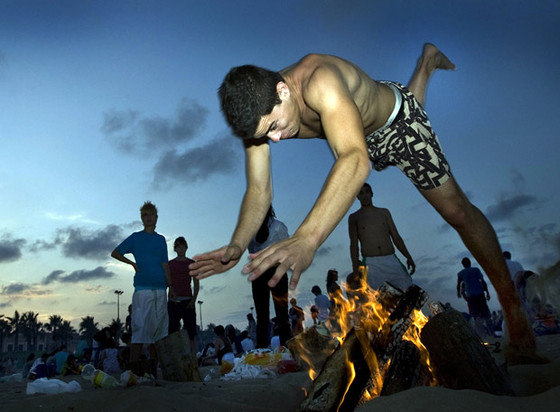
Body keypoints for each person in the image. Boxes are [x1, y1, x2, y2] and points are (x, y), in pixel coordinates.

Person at [189, 43, 538, 361]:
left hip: (395, 124)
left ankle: (513, 312)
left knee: (456, 210)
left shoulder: (318, 80)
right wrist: (237, 244)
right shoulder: (260, 112)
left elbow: (355, 159)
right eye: (265, 135)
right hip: (354, 133)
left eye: (275, 126)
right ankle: (426, 62)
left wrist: (308, 237)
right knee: (359, 135)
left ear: (283, 90)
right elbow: (259, 192)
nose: (275, 139)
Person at [111, 201, 172, 376]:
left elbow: (165, 264)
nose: (149, 218)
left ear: (156, 217)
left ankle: (154, 371)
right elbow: (116, 252)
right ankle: (132, 371)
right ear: (142, 218)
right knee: (138, 330)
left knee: (157, 334)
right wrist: (132, 263)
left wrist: (171, 286)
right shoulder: (135, 238)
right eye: (145, 215)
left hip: (160, 290)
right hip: (142, 290)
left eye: (151, 214)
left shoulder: (161, 240)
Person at [348, 183, 415, 291]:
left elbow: (396, 237)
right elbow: (354, 245)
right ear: (357, 197)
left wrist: (408, 256)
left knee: (408, 291)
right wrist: (355, 270)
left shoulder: (384, 213)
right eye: (361, 193)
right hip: (371, 264)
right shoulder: (354, 218)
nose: (365, 196)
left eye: (367, 192)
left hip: (390, 259)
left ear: (371, 194)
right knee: (380, 300)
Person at [247, 206, 291, 348]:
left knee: (281, 313)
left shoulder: (278, 227)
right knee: (262, 315)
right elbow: (251, 251)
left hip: (276, 271)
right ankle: (262, 350)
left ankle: (286, 348)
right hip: (260, 273)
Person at [167, 236, 200, 357]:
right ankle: (174, 358)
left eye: (182, 246)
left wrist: (194, 300)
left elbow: (196, 283)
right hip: (173, 302)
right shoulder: (170, 264)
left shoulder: (192, 264)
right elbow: (166, 282)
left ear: (186, 247)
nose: (181, 249)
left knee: (191, 332)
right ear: (175, 249)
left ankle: (193, 358)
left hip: (187, 301)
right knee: (172, 332)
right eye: (178, 247)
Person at [457, 258, 494, 338]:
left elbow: (459, 284)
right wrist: (487, 292)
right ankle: (491, 333)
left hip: (471, 296)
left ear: (463, 265)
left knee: (476, 316)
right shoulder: (476, 270)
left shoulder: (461, 273)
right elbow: (483, 281)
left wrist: (458, 293)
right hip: (480, 294)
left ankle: (482, 335)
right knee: (486, 315)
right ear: (470, 263)